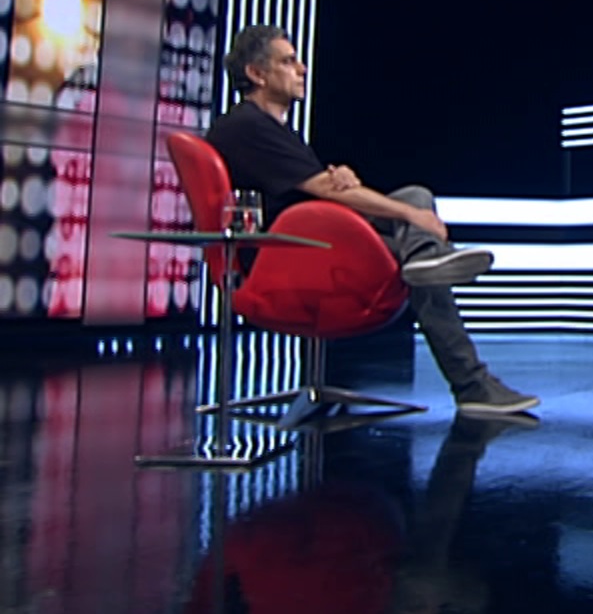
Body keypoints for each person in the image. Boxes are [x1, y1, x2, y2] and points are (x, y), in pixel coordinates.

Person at [205, 24, 538, 415]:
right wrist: (408, 214)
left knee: (415, 197)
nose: (303, 69)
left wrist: (342, 177)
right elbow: (322, 191)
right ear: (256, 73)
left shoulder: (268, 130)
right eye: (288, 61)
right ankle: (470, 379)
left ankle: (428, 261)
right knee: (413, 215)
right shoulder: (246, 126)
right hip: (286, 255)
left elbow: (314, 185)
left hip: (311, 242)